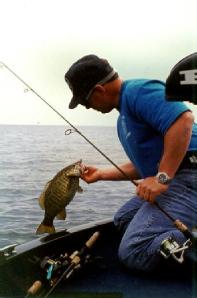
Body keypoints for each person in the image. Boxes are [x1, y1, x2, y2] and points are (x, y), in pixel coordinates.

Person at [65, 54, 197, 272]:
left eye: (85, 101)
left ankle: (188, 244)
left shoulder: (138, 91)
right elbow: (145, 164)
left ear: (99, 90)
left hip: (190, 174)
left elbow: (184, 120)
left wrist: (162, 178)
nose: (87, 107)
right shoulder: (123, 119)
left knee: (134, 250)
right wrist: (100, 174)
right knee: (123, 220)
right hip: (178, 176)